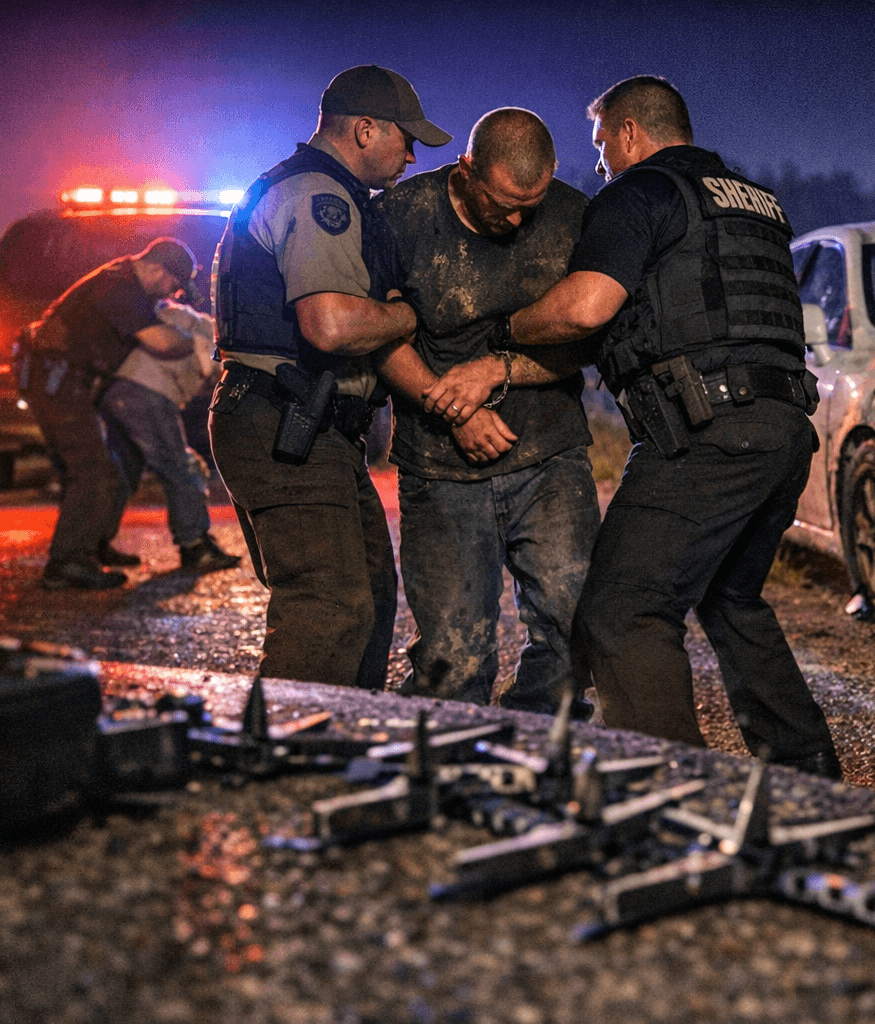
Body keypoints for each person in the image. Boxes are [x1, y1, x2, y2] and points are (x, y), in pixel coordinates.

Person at [435, 76, 842, 778]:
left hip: (707, 432)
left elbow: (587, 309)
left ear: (629, 133)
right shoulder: (755, 202)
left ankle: (670, 786)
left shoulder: (641, 192)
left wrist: (501, 331)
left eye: (600, 145)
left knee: (622, 613)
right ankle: (807, 773)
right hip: (781, 429)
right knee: (731, 598)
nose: (599, 164)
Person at [208, 65, 450, 689]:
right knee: (329, 603)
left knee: (366, 590)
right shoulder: (321, 195)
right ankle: (289, 758)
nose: (413, 154)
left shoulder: (308, 188)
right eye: (407, 137)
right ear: (366, 129)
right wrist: (407, 313)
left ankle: (341, 744)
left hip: (305, 425)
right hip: (287, 423)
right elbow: (331, 325)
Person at [372, 108, 600, 715]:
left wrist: (497, 367)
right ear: (467, 171)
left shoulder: (576, 216)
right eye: (504, 204)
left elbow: (592, 335)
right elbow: (380, 337)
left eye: (534, 200)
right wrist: (455, 412)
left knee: (575, 632)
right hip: (439, 466)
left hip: (550, 455)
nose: (520, 218)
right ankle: (448, 770)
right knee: (454, 653)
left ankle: (533, 746)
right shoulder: (402, 217)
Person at [22, 237, 200, 590]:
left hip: (66, 381)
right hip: (57, 381)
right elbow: (162, 342)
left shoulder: (123, 282)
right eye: (172, 284)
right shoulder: (120, 289)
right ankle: (68, 563)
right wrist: (192, 339)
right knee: (94, 471)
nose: (171, 294)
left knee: (118, 468)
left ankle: (94, 545)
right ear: (154, 268)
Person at [101, 297, 243, 573]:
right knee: (181, 468)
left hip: (122, 392)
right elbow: (206, 368)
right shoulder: (205, 329)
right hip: (147, 393)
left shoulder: (192, 322)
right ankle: (195, 546)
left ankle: (93, 543)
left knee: (122, 473)